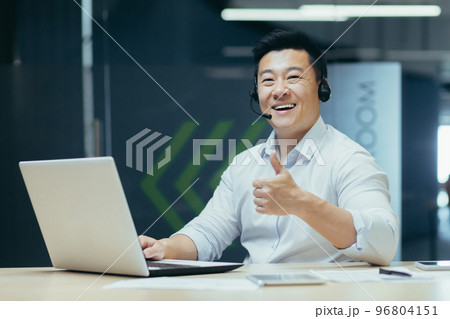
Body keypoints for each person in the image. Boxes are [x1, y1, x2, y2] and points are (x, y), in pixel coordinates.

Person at [139, 29, 399, 266]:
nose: (279, 90)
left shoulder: (349, 159)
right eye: (268, 81)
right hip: (257, 299)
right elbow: (209, 232)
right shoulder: (245, 164)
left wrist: (303, 204)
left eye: (294, 77)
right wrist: (165, 247)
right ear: (256, 93)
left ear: (323, 87)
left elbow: (385, 241)